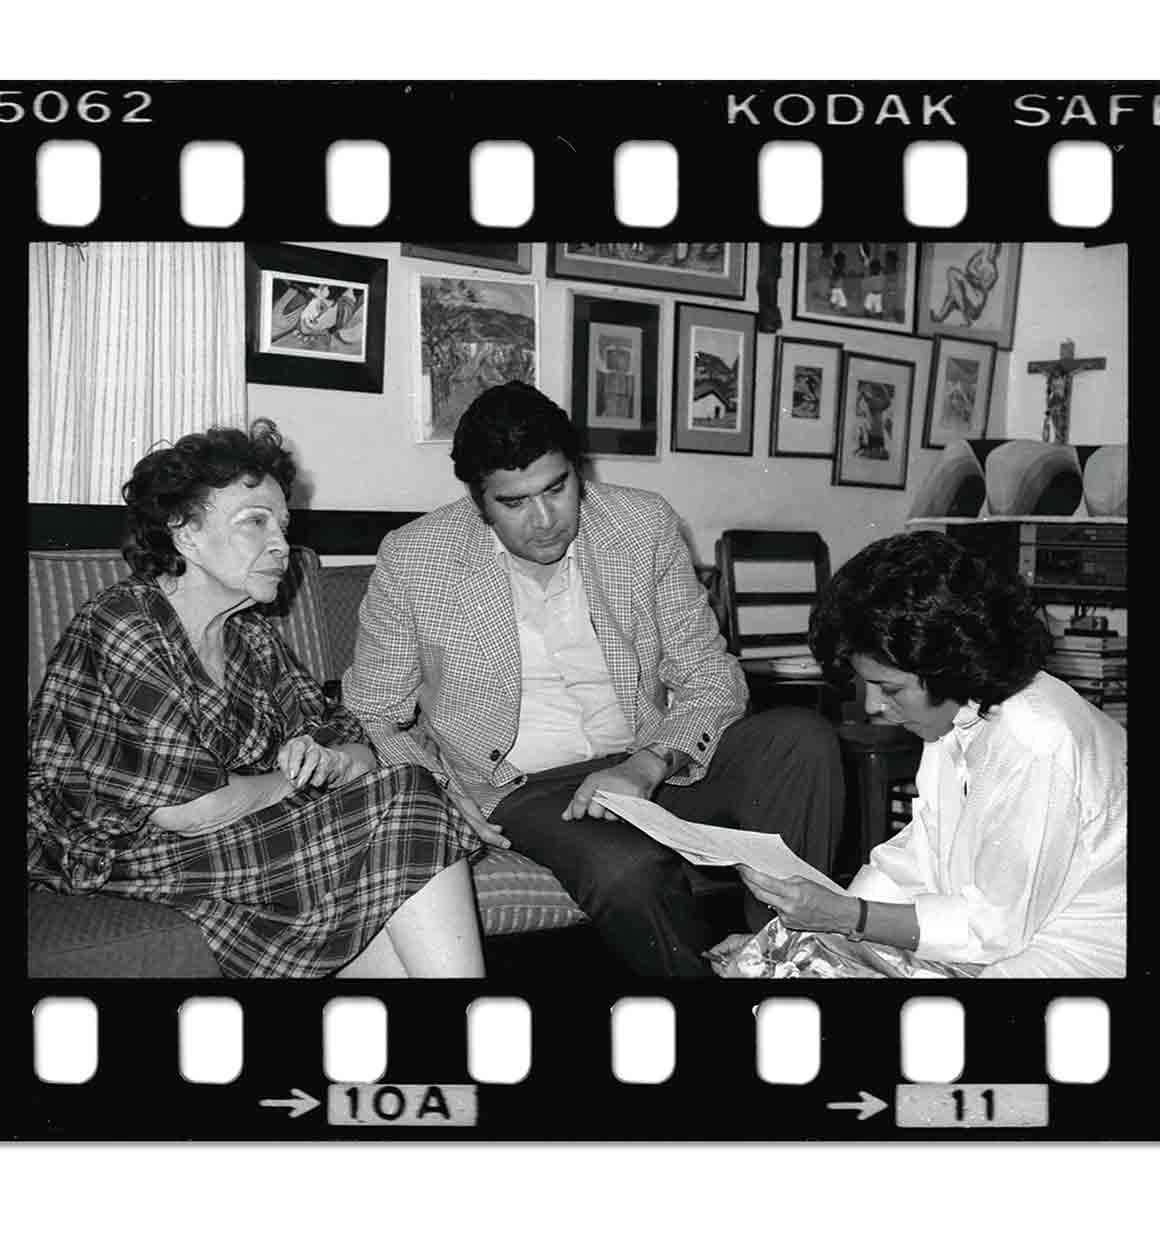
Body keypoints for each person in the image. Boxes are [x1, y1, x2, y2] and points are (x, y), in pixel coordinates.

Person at [343, 380, 843, 977]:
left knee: (802, 739)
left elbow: (709, 672)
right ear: (478, 502)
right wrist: (438, 795)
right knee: (625, 868)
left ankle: (781, 963)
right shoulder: (415, 559)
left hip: (646, 762)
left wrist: (650, 762)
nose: (545, 519)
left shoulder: (641, 525)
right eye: (514, 502)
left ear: (578, 470)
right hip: (524, 787)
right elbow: (373, 712)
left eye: (557, 488)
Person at [27, 421, 484, 979]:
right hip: (117, 850)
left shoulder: (251, 634)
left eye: (283, 524)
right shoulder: (125, 625)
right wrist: (305, 779)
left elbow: (355, 744)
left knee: (404, 810)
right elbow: (189, 812)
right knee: (408, 798)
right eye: (254, 522)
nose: (280, 544)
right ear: (185, 533)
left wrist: (333, 760)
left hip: (218, 830)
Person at [712, 530, 1126, 980]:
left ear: (949, 667)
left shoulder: (1036, 739)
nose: (873, 706)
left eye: (890, 689)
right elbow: (919, 853)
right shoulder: (960, 712)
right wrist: (803, 934)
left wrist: (846, 919)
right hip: (1013, 921)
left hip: (1093, 935)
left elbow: (994, 929)